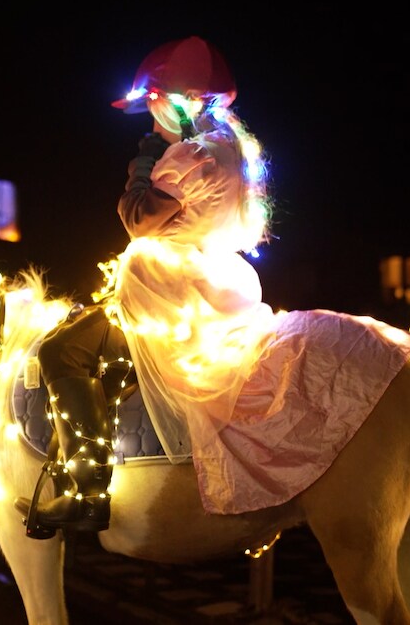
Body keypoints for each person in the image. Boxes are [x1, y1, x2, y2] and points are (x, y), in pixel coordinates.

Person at [16, 37, 276, 536]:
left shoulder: (187, 155)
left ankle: (87, 492)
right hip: (220, 294)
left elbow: (138, 220)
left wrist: (143, 169)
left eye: (153, 106)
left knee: (60, 351)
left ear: (177, 103)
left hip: (166, 297)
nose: (150, 123)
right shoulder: (236, 152)